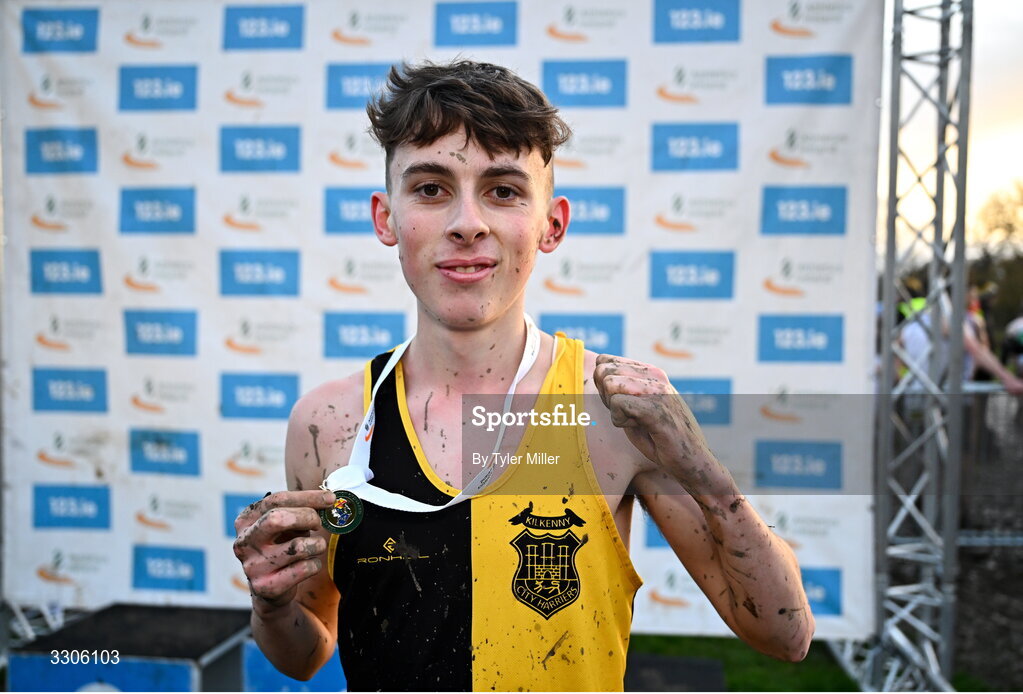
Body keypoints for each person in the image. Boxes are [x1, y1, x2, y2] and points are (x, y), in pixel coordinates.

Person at [232, 59, 814, 691]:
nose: (467, 222)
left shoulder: (611, 411)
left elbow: (785, 636)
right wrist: (272, 603)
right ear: (385, 218)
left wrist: (703, 469)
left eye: (503, 190)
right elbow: (306, 653)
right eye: (430, 188)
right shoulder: (329, 424)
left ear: (550, 224)